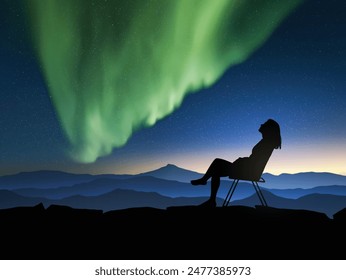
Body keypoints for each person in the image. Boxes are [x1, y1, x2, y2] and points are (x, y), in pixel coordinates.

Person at [191, 119, 281, 208]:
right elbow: (254, 161)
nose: (261, 124)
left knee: (217, 162)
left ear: (269, 129)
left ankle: (206, 185)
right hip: (248, 170)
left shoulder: (266, 143)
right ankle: (210, 198)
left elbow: (254, 162)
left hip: (247, 171)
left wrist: (240, 161)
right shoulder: (266, 142)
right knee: (216, 169)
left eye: (264, 124)